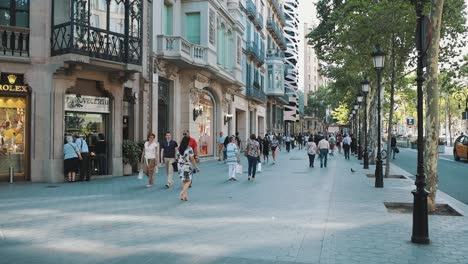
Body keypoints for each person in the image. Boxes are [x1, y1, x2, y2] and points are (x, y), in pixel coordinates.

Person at [177, 136, 200, 201]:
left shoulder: (179, 148)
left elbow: (177, 157)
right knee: (189, 181)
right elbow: (192, 159)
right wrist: (196, 167)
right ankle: (182, 193)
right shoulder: (189, 148)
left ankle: (184, 196)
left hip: (180, 165)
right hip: (186, 166)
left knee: (184, 181)